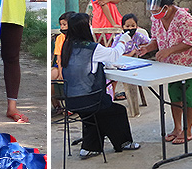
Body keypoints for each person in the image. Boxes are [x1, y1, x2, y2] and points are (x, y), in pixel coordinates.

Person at [58, 13, 141, 159]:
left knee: (95, 115)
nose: (92, 27)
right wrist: (124, 40)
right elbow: (114, 54)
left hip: (70, 100)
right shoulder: (92, 48)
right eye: (89, 24)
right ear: (84, 28)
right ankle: (124, 143)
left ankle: (90, 147)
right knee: (117, 111)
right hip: (90, 99)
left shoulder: (67, 46)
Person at [137, 0, 192, 145]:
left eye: (156, 10)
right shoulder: (157, 19)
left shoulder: (185, 19)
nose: (154, 14)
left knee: (190, 97)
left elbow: (190, 41)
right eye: (152, 11)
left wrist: (168, 50)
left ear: (167, 7)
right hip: (171, 64)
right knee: (175, 95)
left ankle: (187, 130)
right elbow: (156, 39)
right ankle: (177, 128)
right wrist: (147, 48)